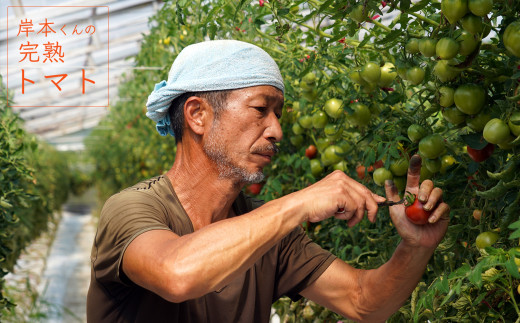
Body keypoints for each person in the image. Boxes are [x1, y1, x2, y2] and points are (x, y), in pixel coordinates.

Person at [86, 40, 450, 323]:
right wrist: (299, 202)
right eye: (261, 109)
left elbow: (364, 302)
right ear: (197, 114)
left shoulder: (269, 231)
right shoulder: (132, 210)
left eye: (278, 114)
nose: (276, 130)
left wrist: (415, 246)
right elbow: (177, 274)